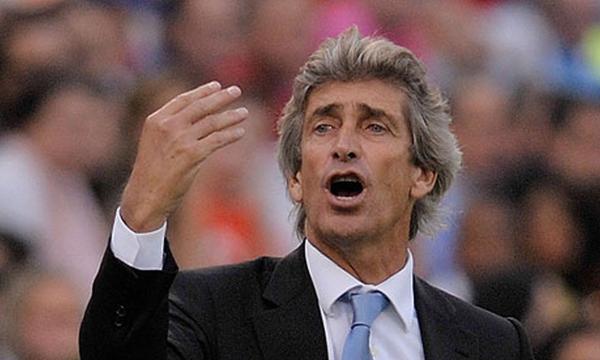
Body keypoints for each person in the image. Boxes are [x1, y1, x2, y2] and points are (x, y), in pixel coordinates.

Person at [79, 27, 534, 359]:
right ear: (296, 177)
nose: (344, 145)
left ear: (424, 174)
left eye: (375, 126)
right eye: (324, 126)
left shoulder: (493, 343)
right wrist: (141, 214)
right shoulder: (209, 309)